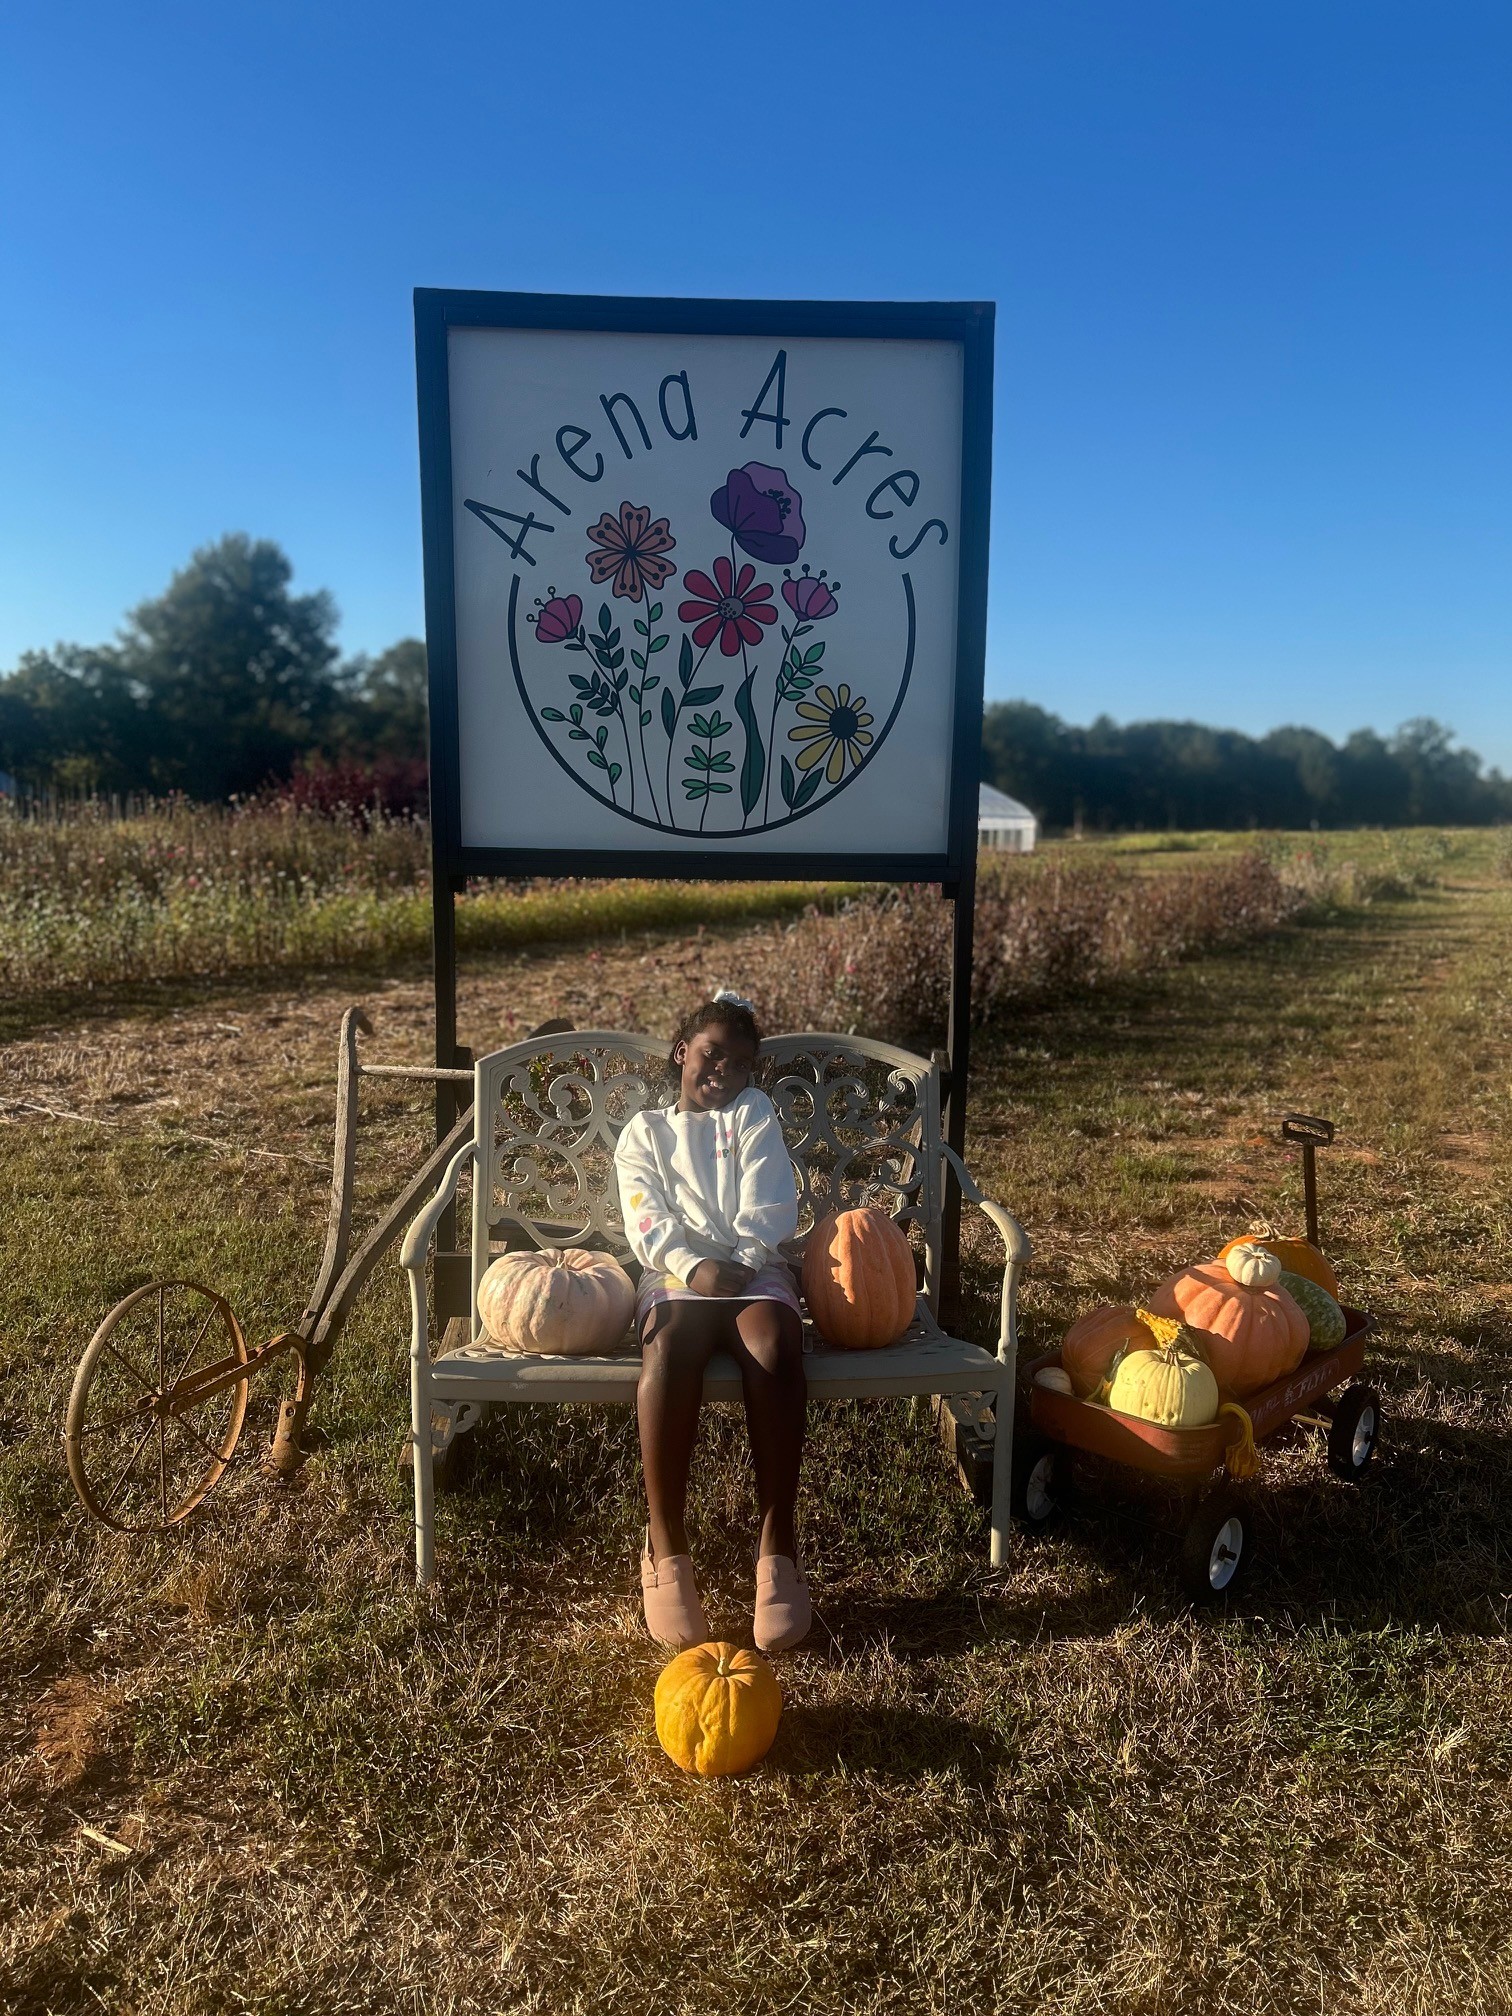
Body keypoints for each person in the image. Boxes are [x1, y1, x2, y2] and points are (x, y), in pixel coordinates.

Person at [614, 989, 810, 1654]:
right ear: (682, 1053)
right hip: (677, 1276)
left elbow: (771, 1195)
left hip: (755, 1273)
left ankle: (777, 1546)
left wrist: (747, 1258)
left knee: (775, 1347)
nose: (722, 1071)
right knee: (668, 1350)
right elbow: (644, 1210)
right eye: (710, 1054)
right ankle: (666, 1544)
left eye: (739, 1063)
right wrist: (690, 1265)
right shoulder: (646, 1131)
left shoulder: (754, 1114)